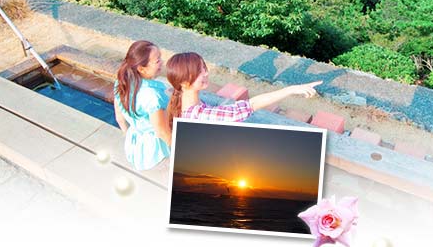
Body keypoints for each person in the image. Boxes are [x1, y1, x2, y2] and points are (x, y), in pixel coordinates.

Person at [164, 52, 322, 126]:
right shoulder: (197, 115)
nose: (205, 73)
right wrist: (290, 90)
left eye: (203, 67)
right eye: (198, 72)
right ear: (184, 82)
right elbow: (249, 106)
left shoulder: (183, 99)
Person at [113, 40, 172, 171]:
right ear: (141, 68)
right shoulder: (151, 96)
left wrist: (129, 136)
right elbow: (162, 132)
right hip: (156, 151)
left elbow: (120, 119)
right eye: (157, 61)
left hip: (134, 144)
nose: (162, 62)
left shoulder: (121, 82)